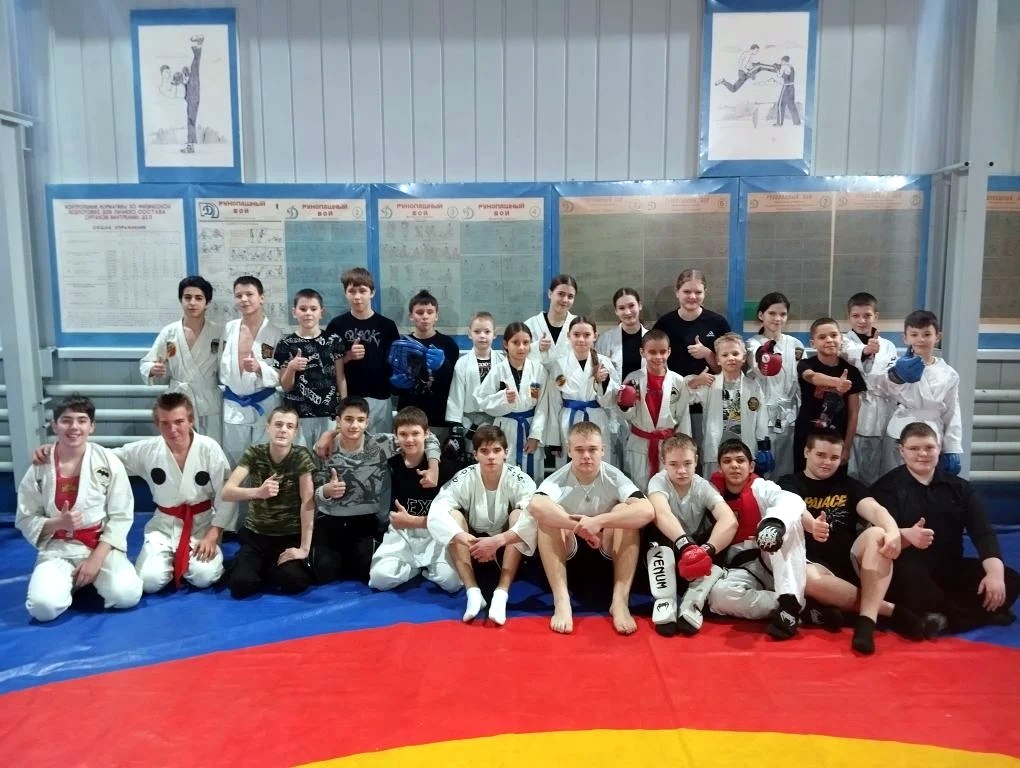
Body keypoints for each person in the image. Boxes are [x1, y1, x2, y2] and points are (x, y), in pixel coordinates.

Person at [31, 392, 235, 593]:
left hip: (201, 525)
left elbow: (227, 495)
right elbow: (105, 458)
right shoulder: (147, 450)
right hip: (164, 526)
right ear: (157, 424)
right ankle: (169, 557)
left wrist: (212, 535)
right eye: (165, 423)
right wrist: (60, 449)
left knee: (203, 576)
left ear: (191, 420)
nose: (172, 429)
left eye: (179, 422)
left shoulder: (209, 449)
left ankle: (185, 559)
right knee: (149, 581)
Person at [778, 431, 934, 654]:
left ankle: (865, 623)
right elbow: (794, 507)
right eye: (821, 455)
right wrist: (812, 525)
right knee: (805, 578)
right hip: (813, 564)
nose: (827, 462)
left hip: (850, 560)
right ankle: (891, 612)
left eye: (834, 457)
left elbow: (876, 510)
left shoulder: (849, 484)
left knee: (878, 533)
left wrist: (892, 532)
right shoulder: (789, 482)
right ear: (806, 452)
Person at [871, 422, 1020, 633]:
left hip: (951, 567)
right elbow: (878, 537)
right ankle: (976, 614)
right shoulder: (885, 488)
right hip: (909, 570)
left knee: (1009, 580)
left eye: (929, 447)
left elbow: (983, 533)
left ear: (939, 448)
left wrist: (994, 574)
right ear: (901, 451)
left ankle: (941, 618)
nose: (922, 454)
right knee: (914, 590)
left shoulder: (961, 488)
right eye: (914, 448)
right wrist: (906, 535)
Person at [15, 395, 142, 621]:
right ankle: (72, 582)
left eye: (82, 420)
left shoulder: (107, 461)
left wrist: (96, 559)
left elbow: (121, 515)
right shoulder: (40, 467)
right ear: (54, 425)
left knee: (126, 595)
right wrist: (56, 523)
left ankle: (85, 579)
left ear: (92, 426)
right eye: (66, 420)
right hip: (58, 548)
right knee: (42, 608)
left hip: (99, 546)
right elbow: (25, 517)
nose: (74, 427)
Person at [527, 421, 655, 635]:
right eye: (579, 450)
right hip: (569, 552)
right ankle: (562, 601)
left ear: (602, 450)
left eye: (592, 449)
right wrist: (579, 527)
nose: (586, 456)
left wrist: (599, 522)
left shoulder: (614, 477)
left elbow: (647, 511)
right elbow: (535, 506)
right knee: (548, 516)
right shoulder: (557, 480)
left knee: (625, 510)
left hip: (607, 550)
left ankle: (620, 601)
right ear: (569, 451)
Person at [315, 399, 441, 584]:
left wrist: (433, 468)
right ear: (338, 421)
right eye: (348, 419)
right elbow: (314, 494)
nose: (354, 425)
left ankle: (349, 556)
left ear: (367, 422)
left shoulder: (380, 444)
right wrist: (326, 490)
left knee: (365, 568)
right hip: (330, 517)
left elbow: (428, 436)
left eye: (360, 420)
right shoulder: (324, 447)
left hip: (365, 519)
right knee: (324, 571)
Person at [706, 439, 819, 640]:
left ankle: (789, 603)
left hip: (774, 556)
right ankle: (797, 608)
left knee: (785, 525)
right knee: (719, 597)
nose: (734, 465)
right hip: (742, 565)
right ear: (719, 468)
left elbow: (791, 500)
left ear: (751, 466)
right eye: (727, 461)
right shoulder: (711, 492)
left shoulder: (762, 487)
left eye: (740, 460)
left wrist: (772, 524)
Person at [427, 426, 538, 625]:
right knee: (452, 516)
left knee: (519, 515)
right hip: (472, 547)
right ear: (475, 454)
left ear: (506, 452)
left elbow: (534, 515)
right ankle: (473, 592)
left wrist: (498, 541)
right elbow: (437, 510)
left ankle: (501, 593)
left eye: (496, 450)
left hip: (505, 548)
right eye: (484, 451)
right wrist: (466, 539)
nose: (491, 457)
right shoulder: (465, 476)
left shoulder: (519, 478)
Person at [645, 434, 737, 636]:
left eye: (687, 463)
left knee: (722, 532)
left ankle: (694, 601)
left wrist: (705, 551)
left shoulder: (703, 486)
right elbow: (661, 512)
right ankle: (664, 600)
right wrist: (685, 545)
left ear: (696, 460)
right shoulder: (658, 481)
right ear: (663, 462)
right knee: (652, 525)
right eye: (674, 464)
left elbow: (729, 520)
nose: (681, 470)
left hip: (697, 558)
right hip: (671, 550)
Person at [221, 406, 317, 599]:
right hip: (257, 534)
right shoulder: (255, 453)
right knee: (240, 585)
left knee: (295, 581)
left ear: (295, 431)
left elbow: (308, 502)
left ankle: (267, 568)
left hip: (288, 535)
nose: (283, 430)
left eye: (289, 426)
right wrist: (258, 492)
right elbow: (227, 492)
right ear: (268, 427)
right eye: (278, 424)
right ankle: (258, 566)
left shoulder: (301, 456)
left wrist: (304, 549)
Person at [367, 407, 457, 592]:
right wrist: (330, 434)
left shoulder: (445, 468)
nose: (409, 439)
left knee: (451, 582)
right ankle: (414, 568)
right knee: (379, 578)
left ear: (427, 434)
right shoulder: (392, 462)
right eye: (403, 434)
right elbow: (358, 437)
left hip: (435, 533)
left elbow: (454, 517)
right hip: (403, 531)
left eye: (415, 433)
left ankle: (429, 567)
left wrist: (415, 521)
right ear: (395, 436)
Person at [872, 310, 963, 477]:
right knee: (895, 480)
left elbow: (952, 412)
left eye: (927, 334)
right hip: (899, 432)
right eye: (914, 334)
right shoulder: (896, 365)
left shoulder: (949, 374)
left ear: (938, 337)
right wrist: (896, 376)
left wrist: (952, 447)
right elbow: (879, 387)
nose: (920, 339)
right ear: (905, 338)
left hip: (932, 433)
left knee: (927, 481)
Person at [652, 269, 731, 456]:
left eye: (698, 292)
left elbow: (730, 369)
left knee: (710, 451)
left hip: (711, 402)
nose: (692, 297)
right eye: (687, 291)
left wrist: (708, 354)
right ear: (677, 292)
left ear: (705, 293)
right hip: (675, 402)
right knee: (680, 453)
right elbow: (655, 367)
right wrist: (690, 383)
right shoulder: (665, 324)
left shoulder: (717, 323)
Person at [140, 275, 223, 443]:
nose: (192, 302)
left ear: (207, 302)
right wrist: (152, 369)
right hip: (177, 398)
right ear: (181, 300)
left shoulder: (219, 332)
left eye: (198, 298)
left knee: (210, 446)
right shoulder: (170, 332)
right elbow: (147, 362)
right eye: (187, 297)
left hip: (207, 400)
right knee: (177, 444)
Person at [324, 267, 401, 435]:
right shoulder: (337, 325)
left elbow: (395, 363)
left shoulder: (387, 326)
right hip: (350, 398)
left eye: (362, 291)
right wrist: (348, 356)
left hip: (380, 397)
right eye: (352, 291)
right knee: (350, 444)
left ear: (372, 293)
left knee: (380, 445)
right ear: (345, 293)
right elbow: (327, 365)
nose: (357, 296)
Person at [614, 329, 692, 490]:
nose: (658, 357)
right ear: (642, 352)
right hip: (640, 443)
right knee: (638, 487)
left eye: (663, 352)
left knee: (667, 488)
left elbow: (684, 416)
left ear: (669, 351)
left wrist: (684, 447)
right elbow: (625, 416)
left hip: (668, 444)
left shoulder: (678, 381)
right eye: (652, 352)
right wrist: (625, 406)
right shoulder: (633, 379)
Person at [219, 275, 282, 466]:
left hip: (264, 404)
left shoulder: (275, 333)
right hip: (234, 406)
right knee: (235, 461)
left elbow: (282, 375)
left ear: (261, 297)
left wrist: (260, 368)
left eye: (249, 294)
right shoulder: (229, 329)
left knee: (264, 461)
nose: (244, 299)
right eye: (239, 295)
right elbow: (220, 365)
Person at [273, 288, 347, 449]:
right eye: (303, 309)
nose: (308, 313)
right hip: (297, 415)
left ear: (321, 312)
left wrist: (344, 409)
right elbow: (286, 386)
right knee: (301, 459)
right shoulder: (286, 344)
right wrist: (291, 367)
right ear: (294, 312)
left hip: (329, 413)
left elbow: (340, 377)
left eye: (313, 309)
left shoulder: (333, 340)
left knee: (327, 456)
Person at [475, 322, 549, 483]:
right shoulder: (498, 370)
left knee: (532, 475)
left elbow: (543, 406)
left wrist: (535, 436)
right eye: (515, 342)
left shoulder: (538, 370)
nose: (521, 347)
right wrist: (503, 398)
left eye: (526, 342)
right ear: (505, 344)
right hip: (505, 428)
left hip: (529, 425)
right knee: (504, 475)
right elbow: (483, 400)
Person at [692, 332, 771, 480]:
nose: (731, 358)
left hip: (744, 447)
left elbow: (761, 417)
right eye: (725, 355)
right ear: (717, 359)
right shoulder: (709, 383)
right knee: (714, 487)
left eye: (735, 353)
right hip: (716, 450)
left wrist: (763, 446)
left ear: (744, 357)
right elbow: (689, 397)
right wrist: (695, 382)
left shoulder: (753, 386)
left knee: (743, 486)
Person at [793, 317, 866, 473]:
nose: (829, 340)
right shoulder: (806, 364)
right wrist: (836, 382)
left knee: (835, 483)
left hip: (836, 440)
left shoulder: (852, 372)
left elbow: (853, 413)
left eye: (833, 335)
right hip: (807, 436)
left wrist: (847, 446)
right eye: (822, 337)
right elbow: (812, 377)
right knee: (803, 478)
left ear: (841, 338)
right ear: (813, 343)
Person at [544, 316, 619, 468]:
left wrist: (603, 382)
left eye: (587, 335)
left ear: (595, 336)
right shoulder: (559, 365)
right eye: (576, 335)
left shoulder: (604, 362)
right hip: (568, 420)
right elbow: (553, 403)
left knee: (598, 465)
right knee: (570, 467)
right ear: (568, 336)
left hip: (597, 419)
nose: (581, 340)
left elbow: (611, 401)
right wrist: (554, 440)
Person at [840, 293, 897, 486]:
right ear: (849, 317)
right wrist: (866, 351)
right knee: (852, 471)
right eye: (856, 316)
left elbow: (892, 378)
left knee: (879, 471)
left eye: (867, 315)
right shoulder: (843, 341)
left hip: (883, 411)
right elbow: (848, 353)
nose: (862, 320)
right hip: (854, 411)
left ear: (876, 316)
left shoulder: (888, 346)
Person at [746, 292, 803, 479]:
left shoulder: (795, 344)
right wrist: (766, 353)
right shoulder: (752, 344)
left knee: (786, 466)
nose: (777, 318)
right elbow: (761, 368)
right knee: (764, 464)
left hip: (788, 414)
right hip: (761, 412)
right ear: (761, 315)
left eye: (782, 314)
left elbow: (801, 378)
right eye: (772, 313)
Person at [393, 289, 460, 440]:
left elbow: (455, 385)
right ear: (411, 316)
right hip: (407, 418)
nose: (425, 316)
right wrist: (395, 385)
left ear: (436, 315)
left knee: (437, 454)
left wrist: (443, 365)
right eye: (419, 312)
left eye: (430, 312)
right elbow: (392, 385)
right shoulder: (401, 344)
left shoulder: (448, 345)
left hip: (438, 417)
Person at [596, 288, 649, 467]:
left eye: (631, 306)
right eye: (621, 308)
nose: (627, 312)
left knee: (639, 462)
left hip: (642, 407)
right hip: (613, 408)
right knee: (612, 461)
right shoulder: (606, 340)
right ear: (616, 311)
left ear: (639, 306)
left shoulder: (650, 338)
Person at [446, 311, 503, 437]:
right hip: (469, 421)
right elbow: (456, 393)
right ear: (469, 333)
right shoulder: (462, 363)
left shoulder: (502, 362)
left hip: (496, 419)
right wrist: (455, 423)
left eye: (487, 331)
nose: (482, 336)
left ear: (495, 334)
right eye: (477, 331)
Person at [524, 274, 578, 371]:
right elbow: (517, 356)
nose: (565, 300)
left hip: (569, 380)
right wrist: (537, 348)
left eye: (570, 296)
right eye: (561, 294)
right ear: (550, 294)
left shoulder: (579, 326)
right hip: (536, 379)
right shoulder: (530, 325)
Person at [773, 56, 800, 126]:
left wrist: (776, 69)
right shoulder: (791, 67)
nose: (780, 62)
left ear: (783, 61)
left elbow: (779, 75)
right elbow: (787, 75)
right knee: (791, 105)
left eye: (781, 61)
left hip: (786, 87)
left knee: (780, 105)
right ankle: (797, 122)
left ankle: (779, 123)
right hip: (792, 87)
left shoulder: (784, 66)